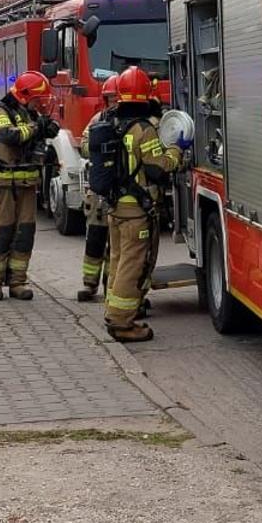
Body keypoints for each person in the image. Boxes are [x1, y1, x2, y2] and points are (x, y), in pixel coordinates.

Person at [103, 67, 183, 343]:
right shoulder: (143, 130)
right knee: (133, 265)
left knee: (117, 261)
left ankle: (112, 311)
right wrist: (176, 150)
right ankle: (122, 323)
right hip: (137, 211)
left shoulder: (111, 122)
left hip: (115, 208)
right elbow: (158, 169)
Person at [0, 70, 58, 301]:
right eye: (37, 98)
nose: (39, 103)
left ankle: (17, 281)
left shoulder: (29, 114)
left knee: (25, 234)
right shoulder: (0, 112)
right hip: (4, 186)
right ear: (25, 95)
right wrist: (37, 128)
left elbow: (43, 130)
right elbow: (8, 135)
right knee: (2, 232)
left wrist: (48, 126)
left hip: (27, 185)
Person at [77, 75, 123, 302]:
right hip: (98, 191)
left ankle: (111, 286)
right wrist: (99, 145)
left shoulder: (130, 122)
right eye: (109, 98)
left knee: (117, 244)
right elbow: (83, 146)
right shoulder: (98, 119)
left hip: (121, 189)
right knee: (95, 238)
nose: (112, 102)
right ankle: (89, 284)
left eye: (115, 98)